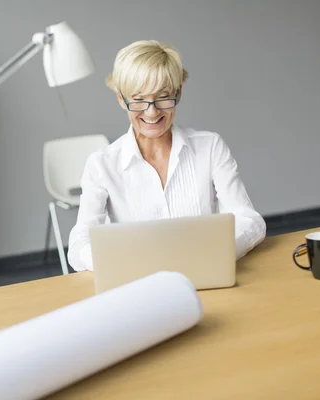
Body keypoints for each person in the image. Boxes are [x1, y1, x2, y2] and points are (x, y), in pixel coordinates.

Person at [67, 40, 266, 272]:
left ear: (178, 93)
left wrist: (213, 253)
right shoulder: (101, 165)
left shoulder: (210, 147)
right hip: (139, 286)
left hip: (206, 274)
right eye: (139, 99)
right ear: (122, 99)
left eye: (163, 96)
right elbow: (79, 242)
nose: (152, 112)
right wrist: (115, 264)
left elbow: (249, 220)